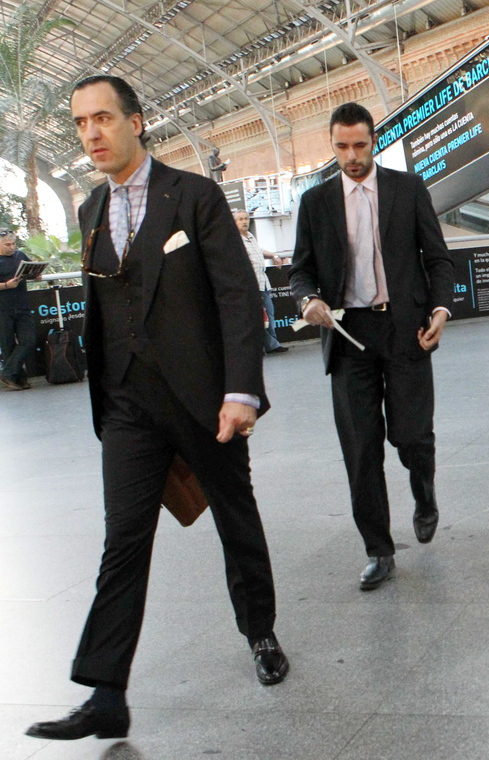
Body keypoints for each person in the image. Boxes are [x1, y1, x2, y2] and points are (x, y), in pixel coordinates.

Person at [25, 75, 289, 743]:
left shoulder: (193, 197)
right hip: (127, 406)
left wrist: (241, 391)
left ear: (136, 122)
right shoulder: (89, 211)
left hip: (205, 400)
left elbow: (235, 298)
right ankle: (106, 692)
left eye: (104, 118)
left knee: (235, 516)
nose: (91, 133)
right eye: (82, 122)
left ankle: (260, 632)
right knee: (123, 541)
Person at [290, 102, 454, 591]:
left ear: (374, 140)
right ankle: (379, 550)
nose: (352, 155)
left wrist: (441, 311)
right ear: (333, 145)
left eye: (360, 144)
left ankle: (423, 492)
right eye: (342, 146)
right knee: (361, 450)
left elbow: (438, 259)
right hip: (348, 338)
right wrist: (308, 299)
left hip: (405, 331)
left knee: (411, 436)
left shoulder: (407, 189)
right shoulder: (315, 202)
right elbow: (300, 271)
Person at [234, 209, 288, 355]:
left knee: (269, 315)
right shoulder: (235, 241)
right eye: (240, 219)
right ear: (234, 222)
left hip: (263, 283)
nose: (244, 221)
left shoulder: (250, 236)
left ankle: (272, 345)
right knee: (258, 318)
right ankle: (269, 345)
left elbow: (259, 251)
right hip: (251, 286)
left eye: (246, 218)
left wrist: (274, 255)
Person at [0, 230, 37, 390]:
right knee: (7, 344)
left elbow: (30, 270)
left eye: (13, 243)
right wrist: (7, 285)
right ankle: (17, 379)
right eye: (7, 244)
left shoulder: (20, 255)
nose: (12, 247)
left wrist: (36, 274)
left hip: (22, 305)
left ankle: (7, 373)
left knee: (28, 340)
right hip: (2, 308)